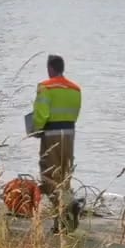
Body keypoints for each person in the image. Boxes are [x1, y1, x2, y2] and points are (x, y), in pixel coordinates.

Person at [30, 54, 82, 228]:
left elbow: (41, 114)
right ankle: (63, 219)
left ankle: (68, 205)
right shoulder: (75, 89)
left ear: (50, 68)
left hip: (51, 134)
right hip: (69, 134)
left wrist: (36, 130)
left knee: (48, 176)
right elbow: (75, 112)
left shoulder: (45, 87)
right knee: (65, 175)